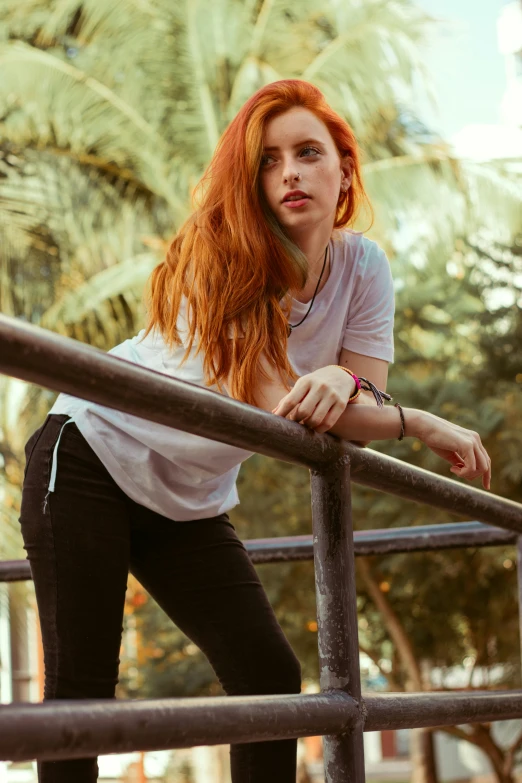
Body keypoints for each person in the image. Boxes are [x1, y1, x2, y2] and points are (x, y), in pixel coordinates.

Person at [19, 79, 491, 783]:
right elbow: (286, 405)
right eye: (268, 160)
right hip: (89, 456)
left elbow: (355, 409)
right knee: (82, 691)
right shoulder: (225, 252)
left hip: (187, 496)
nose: (290, 172)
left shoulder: (365, 267)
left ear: (345, 169)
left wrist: (350, 382)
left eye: (307, 152)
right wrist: (415, 419)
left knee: (268, 674)